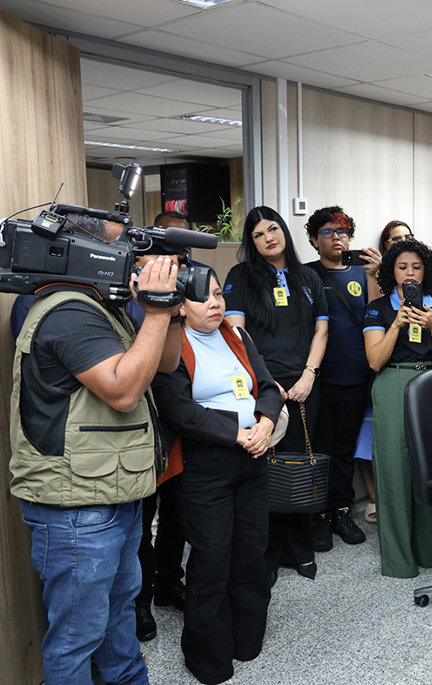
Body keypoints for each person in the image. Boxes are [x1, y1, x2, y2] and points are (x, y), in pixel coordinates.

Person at [10, 213, 181, 685]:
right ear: (89, 254)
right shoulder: (68, 311)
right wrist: (157, 312)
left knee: (118, 617)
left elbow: (166, 364)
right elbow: (123, 391)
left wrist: (171, 310)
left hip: (112, 493)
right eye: (121, 247)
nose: (131, 258)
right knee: (75, 641)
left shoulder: (102, 305)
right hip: (77, 508)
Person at [152, 274, 282, 685]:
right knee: (212, 560)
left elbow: (268, 387)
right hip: (205, 466)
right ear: (180, 306)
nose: (215, 303)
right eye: (202, 297)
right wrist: (237, 433)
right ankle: (209, 660)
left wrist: (265, 422)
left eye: (217, 294)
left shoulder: (237, 335)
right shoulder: (171, 345)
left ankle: (247, 640)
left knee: (251, 552)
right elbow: (179, 410)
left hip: (253, 459)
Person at [223, 206, 328, 582]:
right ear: (251, 243)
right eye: (258, 234)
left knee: (298, 464)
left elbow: (321, 331)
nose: (268, 237)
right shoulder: (240, 276)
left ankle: (299, 548)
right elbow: (236, 333)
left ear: (284, 230)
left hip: (304, 385)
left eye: (273, 229)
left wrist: (309, 375)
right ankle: (264, 554)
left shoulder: (308, 277)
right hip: (260, 386)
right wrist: (266, 381)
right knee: (263, 467)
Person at [135, 210, 212, 641]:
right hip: (140, 425)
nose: (178, 263)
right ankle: (140, 601)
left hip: (178, 425)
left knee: (177, 517)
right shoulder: (129, 292)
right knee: (142, 520)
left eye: (184, 256)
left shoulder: (188, 288)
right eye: (171, 252)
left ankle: (168, 583)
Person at [363, 238, 432, 577]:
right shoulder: (377, 308)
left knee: (427, 467)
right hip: (392, 383)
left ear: (425, 272)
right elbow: (375, 361)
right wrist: (397, 324)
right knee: (394, 468)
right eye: (402, 267)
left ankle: (429, 550)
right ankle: (399, 560)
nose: (410, 273)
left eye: (416, 267)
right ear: (392, 272)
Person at [304, 206, 380, 551]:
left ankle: (341, 511)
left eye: (343, 232)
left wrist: (375, 274)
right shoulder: (305, 274)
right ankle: (319, 515)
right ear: (313, 239)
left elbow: (375, 314)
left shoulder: (362, 273)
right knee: (320, 451)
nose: (337, 238)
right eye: (328, 232)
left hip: (355, 376)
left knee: (346, 450)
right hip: (317, 378)